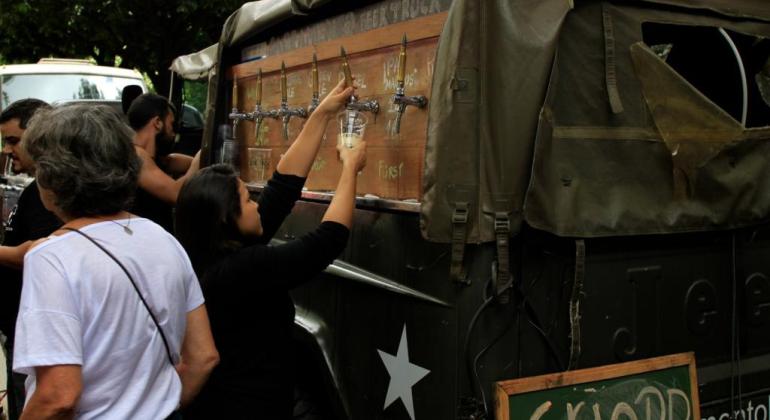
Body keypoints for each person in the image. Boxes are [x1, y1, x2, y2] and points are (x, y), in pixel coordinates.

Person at [14, 104, 219, 419]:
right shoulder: (163, 239)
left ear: (54, 177)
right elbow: (203, 357)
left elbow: (58, 396)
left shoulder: (52, 256)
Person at [175, 78, 364, 419]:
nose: (256, 206)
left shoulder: (213, 251)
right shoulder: (238, 270)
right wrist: (350, 169)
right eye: (247, 200)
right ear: (225, 219)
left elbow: (282, 187)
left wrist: (322, 114)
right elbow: (324, 244)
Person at [0, 98, 61, 420]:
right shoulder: (37, 189)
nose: (8, 151)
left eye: (12, 140)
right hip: (23, 335)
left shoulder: (48, 193)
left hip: (36, 343)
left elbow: (44, 250)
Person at [127, 93, 201, 231]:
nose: (173, 133)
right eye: (172, 125)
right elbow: (176, 194)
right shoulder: (135, 155)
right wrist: (202, 153)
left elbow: (193, 164)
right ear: (157, 123)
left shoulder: (159, 160)